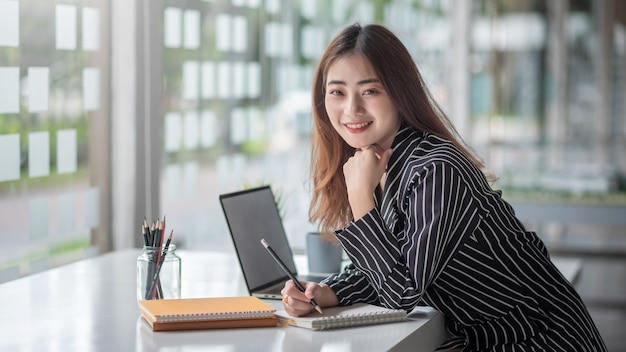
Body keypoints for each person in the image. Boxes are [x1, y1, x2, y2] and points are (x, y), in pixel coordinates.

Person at [280, 23, 607, 351]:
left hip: (540, 338)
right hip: (492, 337)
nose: (352, 109)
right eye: (337, 92)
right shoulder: (379, 165)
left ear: (399, 93)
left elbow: (403, 293)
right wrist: (327, 291)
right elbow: (396, 264)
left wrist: (360, 198)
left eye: (370, 91)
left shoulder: (436, 168)